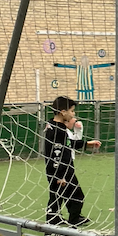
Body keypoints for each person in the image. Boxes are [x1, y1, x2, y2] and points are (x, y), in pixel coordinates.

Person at [44, 96, 101, 227]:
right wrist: (60, 176)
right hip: (62, 171)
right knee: (76, 196)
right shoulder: (58, 131)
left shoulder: (53, 125)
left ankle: (55, 219)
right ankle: (71, 219)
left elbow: (68, 144)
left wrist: (86, 144)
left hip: (56, 170)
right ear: (63, 112)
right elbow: (56, 154)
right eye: (72, 111)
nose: (73, 114)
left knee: (57, 195)